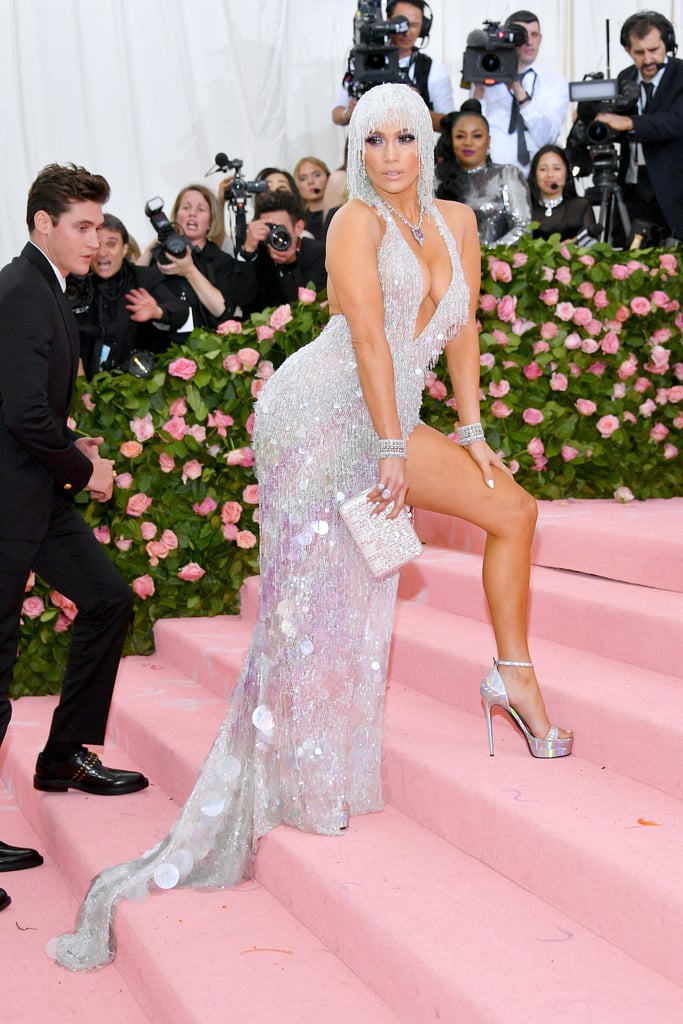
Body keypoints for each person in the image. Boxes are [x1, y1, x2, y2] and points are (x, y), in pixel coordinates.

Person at [53, 85, 571, 972]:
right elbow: (369, 339)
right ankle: (303, 777)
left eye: (407, 135)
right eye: (373, 140)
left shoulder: (457, 220)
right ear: (357, 153)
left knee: (511, 510)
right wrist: (390, 449)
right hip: (322, 412)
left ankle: (513, 681)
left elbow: (461, 334)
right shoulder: (350, 227)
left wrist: (476, 430)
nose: (392, 153)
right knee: (319, 600)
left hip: (388, 416)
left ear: (431, 140)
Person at [0, 164, 149, 912]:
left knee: (108, 599)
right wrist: (82, 466)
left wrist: (69, 442)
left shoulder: (44, 286)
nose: (96, 240)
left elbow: (31, 412)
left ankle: (63, 755)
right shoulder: (24, 293)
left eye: (99, 226)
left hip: (37, 493)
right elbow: (22, 415)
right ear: (41, 225)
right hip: (8, 501)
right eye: (82, 226)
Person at [594, 11, 683, 244]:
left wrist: (630, 123)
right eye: (639, 52)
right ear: (628, 51)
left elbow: (676, 121)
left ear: (668, 45)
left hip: (674, 192)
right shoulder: (625, 78)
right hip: (632, 190)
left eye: (654, 50)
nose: (647, 60)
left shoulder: (681, 75)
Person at [69, 213, 188, 379]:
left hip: (141, 384)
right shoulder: (76, 287)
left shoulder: (144, 278)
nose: (102, 253)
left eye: (111, 244)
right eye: (97, 245)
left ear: (125, 248)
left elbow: (180, 311)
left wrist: (157, 312)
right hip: (92, 389)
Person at [138, 184, 254, 328]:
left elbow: (224, 311)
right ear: (176, 215)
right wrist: (151, 248)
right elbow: (133, 284)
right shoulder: (160, 253)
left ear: (211, 221)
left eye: (201, 209)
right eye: (186, 208)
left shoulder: (221, 261)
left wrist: (189, 271)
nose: (192, 213)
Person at [332, 1, 454, 132]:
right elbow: (336, 113)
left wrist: (414, 107)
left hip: (410, 150)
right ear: (388, 22)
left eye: (414, 25)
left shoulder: (433, 69)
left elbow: (448, 123)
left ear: (424, 27)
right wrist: (348, 113)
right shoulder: (365, 60)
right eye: (400, 23)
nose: (406, 32)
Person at [473, 10, 568, 175]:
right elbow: (472, 128)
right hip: (491, 173)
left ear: (540, 38)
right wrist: (479, 89)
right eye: (521, 36)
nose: (528, 42)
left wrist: (519, 91)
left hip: (536, 177)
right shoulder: (486, 75)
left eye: (534, 34)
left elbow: (547, 138)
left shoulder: (555, 82)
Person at [435, 100, 531, 246]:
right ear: (451, 141)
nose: (468, 142)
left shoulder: (506, 174)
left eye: (477, 136)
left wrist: (484, 257)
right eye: (460, 136)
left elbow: (523, 228)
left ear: (489, 140)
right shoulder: (437, 179)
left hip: (497, 264)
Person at [237, 190, 327, 316]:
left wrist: (290, 265)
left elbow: (308, 312)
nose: (275, 235)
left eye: (280, 228)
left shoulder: (318, 253)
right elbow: (244, 303)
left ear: (298, 228)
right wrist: (248, 251)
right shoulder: (257, 253)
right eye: (269, 227)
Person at [528, 145, 597, 241]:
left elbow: (592, 246)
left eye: (557, 169)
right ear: (534, 174)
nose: (550, 175)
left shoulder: (580, 206)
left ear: (567, 174)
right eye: (543, 169)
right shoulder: (525, 209)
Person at [293, 156, 331, 240]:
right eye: (303, 178)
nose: (310, 181)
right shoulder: (297, 222)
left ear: (328, 177)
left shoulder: (339, 213)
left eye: (317, 175)